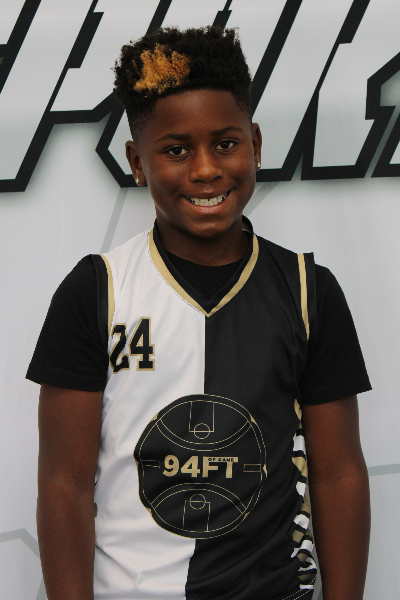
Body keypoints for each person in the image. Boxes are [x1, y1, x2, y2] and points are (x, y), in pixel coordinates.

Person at [27, 26, 371, 600]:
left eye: (226, 143)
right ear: (137, 162)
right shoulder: (96, 291)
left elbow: (338, 474)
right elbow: (64, 483)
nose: (206, 169)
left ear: (255, 145)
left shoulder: (309, 291)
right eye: (176, 150)